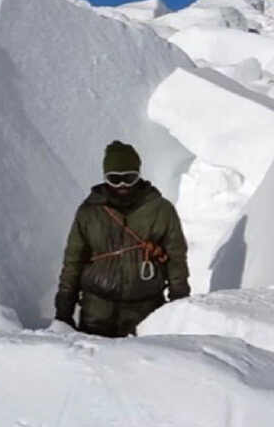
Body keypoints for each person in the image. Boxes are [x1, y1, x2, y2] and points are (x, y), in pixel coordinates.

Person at [55, 140, 190, 336]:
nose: (122, 185)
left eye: (129, 177)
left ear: (139, 175)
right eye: (114, 179)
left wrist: (179, 300)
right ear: (105, 178)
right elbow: (73, 260)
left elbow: (176, 256)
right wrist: (64, 307)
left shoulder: (161, 209)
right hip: (97, 310)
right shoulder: (89, 212)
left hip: (146, 309)